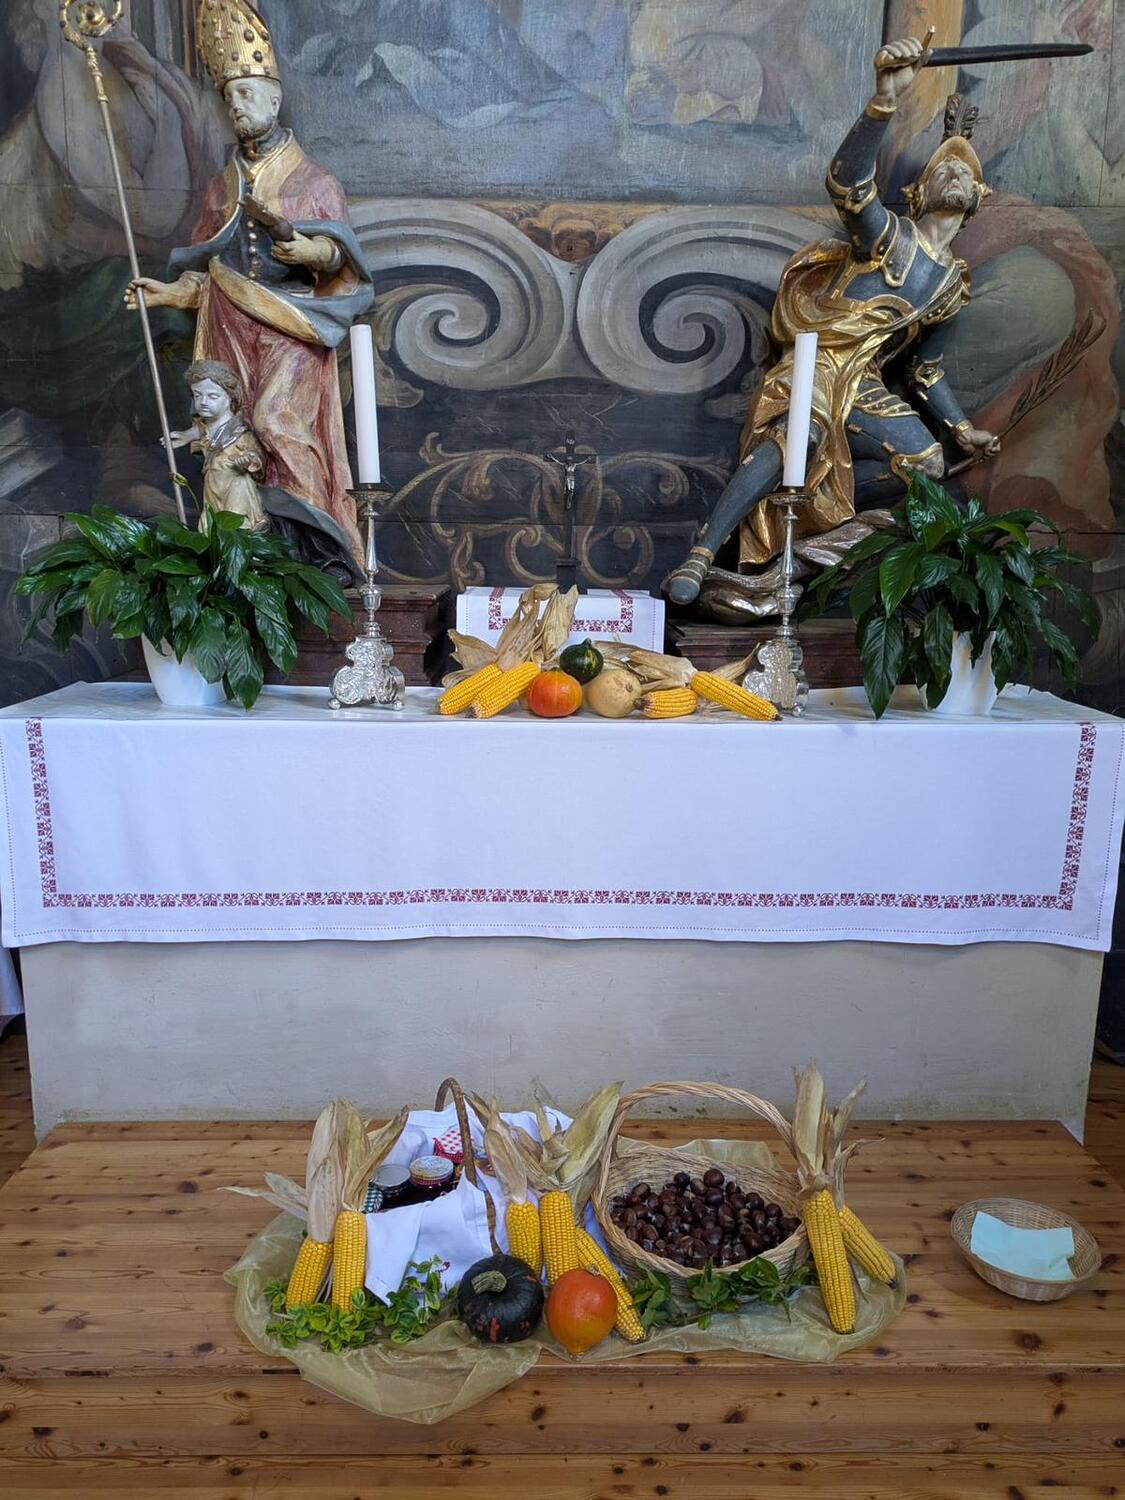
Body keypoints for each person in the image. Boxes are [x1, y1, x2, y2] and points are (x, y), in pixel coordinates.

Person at [664, 35, 1001, 608]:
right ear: (918, 193)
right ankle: (702, 551)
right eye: (943, 168)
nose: (954, 175)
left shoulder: (951, 285)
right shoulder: (889, 236)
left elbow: (925, 369)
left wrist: (962, 428)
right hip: (819, 360)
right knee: (799, 432)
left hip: (864, 383)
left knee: (925, 464)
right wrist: (884, 101)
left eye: (964, 173)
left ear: (977, 198)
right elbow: (848, 185)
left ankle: (808, 533)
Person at [124, 0, 373, 562]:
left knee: (277, 423)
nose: (235, 105)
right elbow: (213, 270)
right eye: (229, 97)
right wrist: (169, 292)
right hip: (229, 325)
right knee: (228, 430)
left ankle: (316, 551)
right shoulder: (221, 187)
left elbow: (340, 258)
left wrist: (311, 249)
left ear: (274, 99)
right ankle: (250, 548)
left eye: (245, 93)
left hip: (289, 325)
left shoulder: (314, 180)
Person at [171, 361, 268, 532]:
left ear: (230, 398)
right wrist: (186, 436)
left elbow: (256, 456)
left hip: (235, 486)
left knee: (236, 524)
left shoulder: (239, 432)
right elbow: (201, 430)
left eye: (213, 396)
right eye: (197, 395)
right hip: (212, 484)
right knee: (210, 525)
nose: (203, 402)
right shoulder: (205, 426)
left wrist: (248, 461)